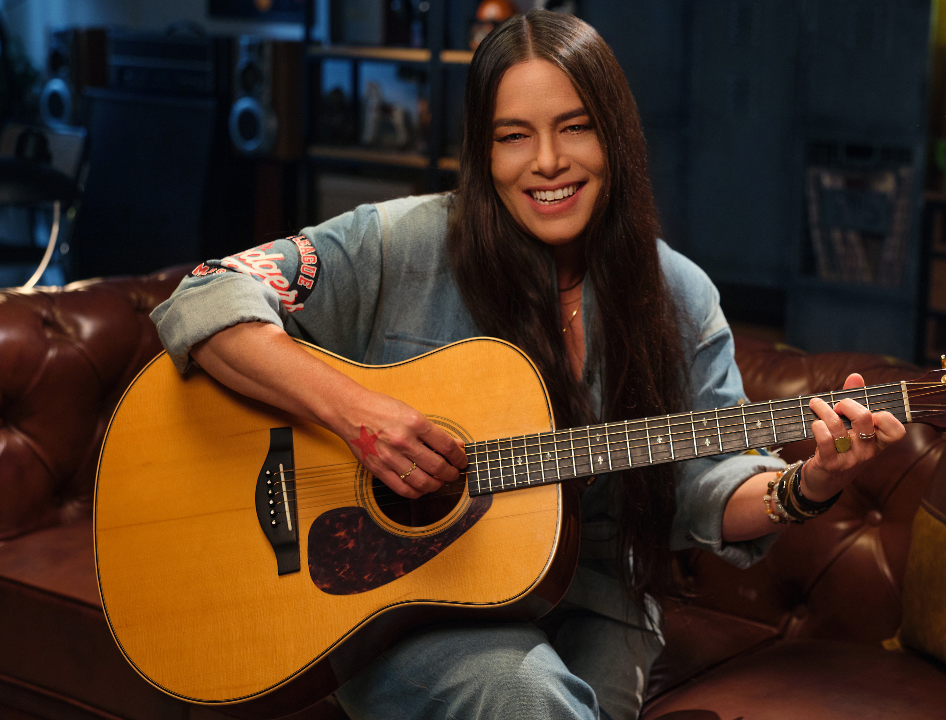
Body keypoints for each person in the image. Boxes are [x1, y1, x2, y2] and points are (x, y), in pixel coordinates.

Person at [150, 10, 904, 720]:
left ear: (616, 136)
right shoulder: (400, 243)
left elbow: (707, 482)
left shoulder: (679, 295)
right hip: (411, 597)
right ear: (483, 150)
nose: (547, 163)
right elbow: (210, 291)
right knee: (527, 694)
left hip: (598, 600)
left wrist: (812, 484)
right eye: (514, 136)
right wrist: (355, 413)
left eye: (574, 128)